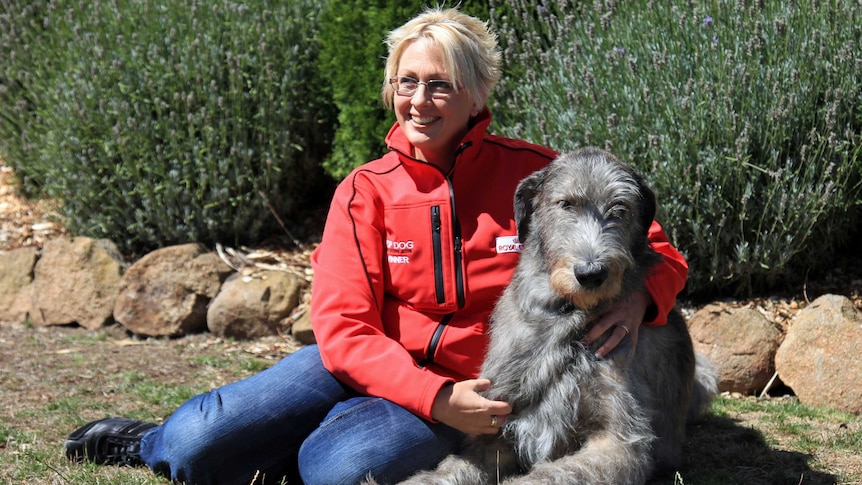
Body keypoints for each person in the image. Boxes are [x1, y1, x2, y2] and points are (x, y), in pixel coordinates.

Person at [64, 7, 688, 485]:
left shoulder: (545, 177)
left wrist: (644, 302)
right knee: (190, 447)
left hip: (467, 388)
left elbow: (654, 247)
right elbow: (340, 327)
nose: (420, 101)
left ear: (478, 92)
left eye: (441, 84)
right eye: (407, 82)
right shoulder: (365, 191)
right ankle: (153, 443)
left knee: (338, 469)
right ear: (391, 89)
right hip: (373, 368)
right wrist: (431, 395)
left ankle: (287, 447)